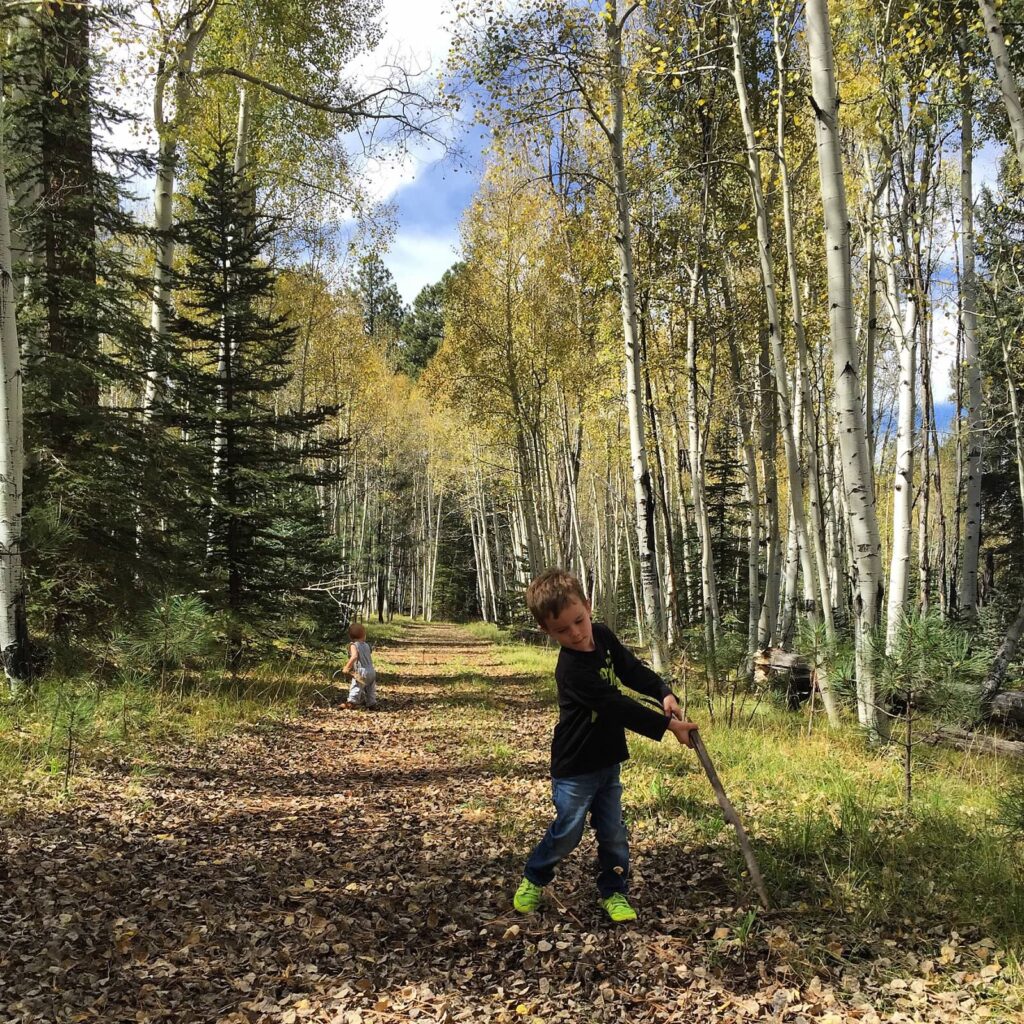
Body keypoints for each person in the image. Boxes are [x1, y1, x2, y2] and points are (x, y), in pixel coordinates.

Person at [513, 568, 697, 923]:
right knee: (568, 833)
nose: (575, 633)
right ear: (547, 631)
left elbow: (630, 669)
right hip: (575, 767)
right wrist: (670, 726)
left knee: (613, 832)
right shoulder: (571, 669)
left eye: (578, 621)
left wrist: (663, 691)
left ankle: (614, 891)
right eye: (562, 630)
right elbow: (617, 706)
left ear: (587, 605)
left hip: (608, 760)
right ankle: (535, 876)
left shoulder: (602, 635)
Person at [342, 622, 378, 709]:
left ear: (350, 637)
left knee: (356, 686)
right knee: (370, 689)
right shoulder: (367, 645)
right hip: (371, 671)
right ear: (364, 635)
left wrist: (347, 667)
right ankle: (372, 703)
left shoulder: (353, 645)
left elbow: (354, 656)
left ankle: (351, 702)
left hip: (362, 671)